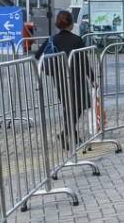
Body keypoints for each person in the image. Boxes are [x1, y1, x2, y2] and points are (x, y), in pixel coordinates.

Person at [35, 10, 95, 148]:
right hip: (76, 78)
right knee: (79, 106)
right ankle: (66, 133)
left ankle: (69, 133)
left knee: (68, 106)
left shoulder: (52, 39)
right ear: (71, 24)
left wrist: (52, 64)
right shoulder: (77, 40)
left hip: (59, 78)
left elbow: (38, 55)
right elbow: (84, 61)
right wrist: (92, 78)